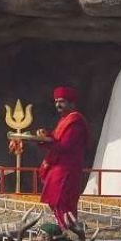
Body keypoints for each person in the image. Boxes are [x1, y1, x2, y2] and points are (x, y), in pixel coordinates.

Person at [34, 86, 89, 233]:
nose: (58, 104)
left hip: (66, 170)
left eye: (62, 101)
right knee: (56, 202)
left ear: (71, 103)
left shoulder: (75, 122)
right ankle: (67, 230)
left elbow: (64, 146)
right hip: (60, 168)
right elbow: (56, 138)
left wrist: (44, 140)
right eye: (56, 101)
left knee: (61, 201)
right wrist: (45, 135)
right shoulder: (65, 120)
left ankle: (69, 232)